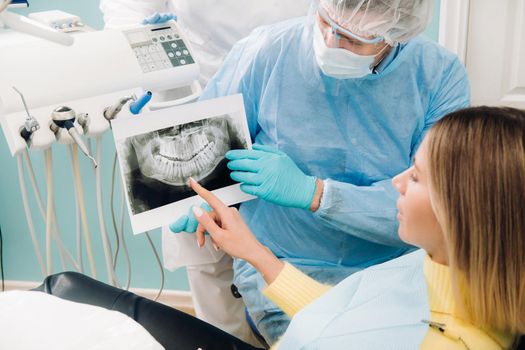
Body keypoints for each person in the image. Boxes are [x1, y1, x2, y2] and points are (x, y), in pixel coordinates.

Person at [181, 0, 470, 343]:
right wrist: (193, 197)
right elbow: (207, 145)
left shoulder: (438, 76)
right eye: (325, 22)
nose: (331, 44)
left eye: (353, 40)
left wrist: (316, 194)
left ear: (396, 35)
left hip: (392, 273)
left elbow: (438, 207)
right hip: (278, 261)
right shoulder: (267, 51)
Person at [186, 105, 524, 349]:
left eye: (417, 176)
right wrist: (254, 251)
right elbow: (344, 316)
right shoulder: (440, 269)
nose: (397, 182)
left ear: (462, 211)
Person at [100, 0, 311, 345]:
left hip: (289, 105)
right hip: (196, 105)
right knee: (210, 269)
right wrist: (140, 43)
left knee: (289, 271)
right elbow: (126, 8)